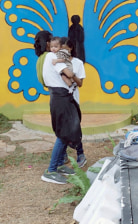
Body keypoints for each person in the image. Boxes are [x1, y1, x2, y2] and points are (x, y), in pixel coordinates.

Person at [37, 32, 83, 185]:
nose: (58, 49)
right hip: (61, 97)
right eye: (54, 45)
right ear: (49, 45)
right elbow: (68, 73)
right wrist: (71, 73)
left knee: (67, 131)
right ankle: (51, 170)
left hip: (61, 96)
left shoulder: (47, 57)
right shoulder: (52, 57)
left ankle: (59, 165)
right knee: (63, 134)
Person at [61, 38, 87, 168]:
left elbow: (80, 83)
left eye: (65, 48)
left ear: (71, 48)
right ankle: (63, 153)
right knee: (62, 126)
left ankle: (80, 154)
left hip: (73, 100)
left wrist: (71, 75)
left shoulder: (78, 63)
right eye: (61, 49)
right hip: (60, 99)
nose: (63, 51)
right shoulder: (57, 63)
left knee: (75, 127)